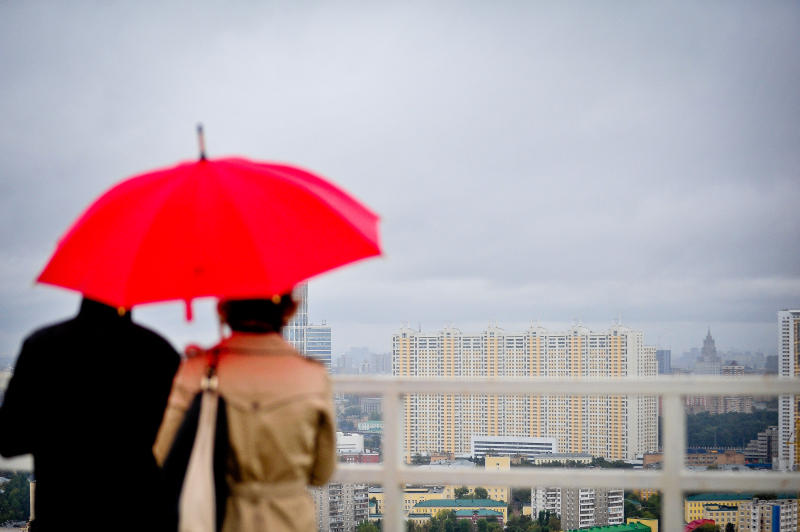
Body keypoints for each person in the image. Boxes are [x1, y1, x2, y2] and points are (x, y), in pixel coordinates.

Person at [153, 294, 336, 532]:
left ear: (222, 309)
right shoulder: (312, 376)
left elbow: (163, 454)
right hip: (290, 521)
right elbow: (321, 473)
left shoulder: (196, 372)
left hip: (213, 518)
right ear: (290, 309)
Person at [0, 297, 180, 531]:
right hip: (137, 513)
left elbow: (10, 441)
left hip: (63, 512)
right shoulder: (160, 352)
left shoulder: (42, 347)